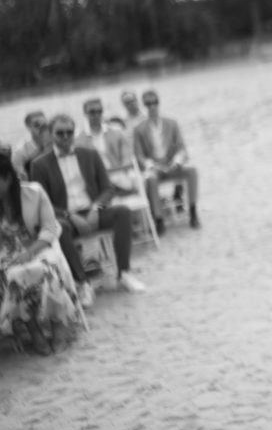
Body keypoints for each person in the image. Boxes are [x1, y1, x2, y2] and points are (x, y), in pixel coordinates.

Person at [30, 114, 144, 294]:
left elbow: (107, 188)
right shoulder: (40, 165)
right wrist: (70, 215)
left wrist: (96, 208)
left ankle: (124, 273)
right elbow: (44, 203)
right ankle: (83, 283)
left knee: (123, 212)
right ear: (51, 134)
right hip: (66, 217)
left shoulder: (89, 155)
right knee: (58, 227)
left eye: (69, 132)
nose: (66, 137)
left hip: (93, 211)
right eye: (60, 133)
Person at [0, 153, 84, 354]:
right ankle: (33, 329)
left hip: (39, 246)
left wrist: (30, 252)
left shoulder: (34, 193)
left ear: (8, 177)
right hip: (5, 254)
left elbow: (49, 228)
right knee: (11, 275)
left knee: (46, 268)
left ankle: (58, 325)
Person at [133, 89, 201, 229]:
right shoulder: (139, 129)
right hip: (155, 169)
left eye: (154, 103)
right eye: (148, 103)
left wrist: (176, 162)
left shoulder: (172, 123)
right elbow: (139, 156)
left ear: (158, 103)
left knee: (192, 170)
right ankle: (159, 219)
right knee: (150, 179)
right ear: (144, 106)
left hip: (172, 165)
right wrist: (153, 166)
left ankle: (193, 211)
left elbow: (182, 148)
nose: (152, 106)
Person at [75, 97, 140, 195]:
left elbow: (127, 157)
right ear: (85, 114)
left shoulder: (116, 133)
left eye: (99, 111)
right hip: (97, 180)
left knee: (134, 180)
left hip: (118, 174)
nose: (96, 115)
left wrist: (120, 171)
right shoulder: (79, 140)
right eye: (92, 112)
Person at [11, 111, 51, 181]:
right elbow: (22, 179)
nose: (42, 128)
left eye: (44, 125)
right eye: (37, 125)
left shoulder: (55, 142)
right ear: (28, 127)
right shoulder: (19, 153)